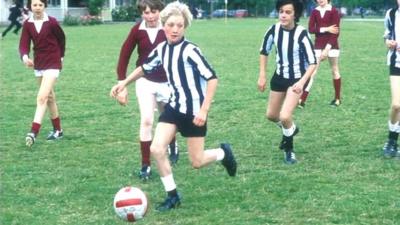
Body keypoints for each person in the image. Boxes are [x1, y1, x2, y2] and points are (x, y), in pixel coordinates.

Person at [110, 1, 237, 211]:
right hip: (174, 108)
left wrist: (204, 110)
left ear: (185, 26)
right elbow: (144, 68)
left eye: (179, 25)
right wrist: (122, 83)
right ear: (164, 25)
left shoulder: (191, 51)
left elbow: (212, 78)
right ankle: (173, 196)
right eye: (171, 25)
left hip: (195, 111)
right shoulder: (161, 49)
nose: (175, 29)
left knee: (196, 161)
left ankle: (223, 154)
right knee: (157, 149)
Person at [114, 0, 179, 181]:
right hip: (144, 80)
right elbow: (124, 54)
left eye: (153, 12)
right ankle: (146, 165)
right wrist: (122, 83)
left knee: (167, 118)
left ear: (160, 11)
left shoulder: (168, 28)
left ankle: (173, 143)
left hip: (166, 82)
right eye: (146, 12)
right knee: (147, 120)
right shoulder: (137, 30)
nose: (149, 16)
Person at [258, 0, 317, 164]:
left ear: (295, 15)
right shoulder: (273, 29)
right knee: (271, 115)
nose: (283, 15)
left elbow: (313, 62)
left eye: (288, 12)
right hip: (279, 77)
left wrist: (302, 82)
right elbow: (264, 51)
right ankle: (291, 129)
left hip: (297, 79)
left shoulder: (301, 33)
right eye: (281, 11)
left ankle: (289, 150)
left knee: (285, 116)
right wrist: (262, 75)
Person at [19, 0, 66, 148]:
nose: (37, 8)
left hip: (53, 62)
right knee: (50, 97)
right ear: (30, 7)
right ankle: (58, 130)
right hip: (39, 63)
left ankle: (33, 132)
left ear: (44, 6)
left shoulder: (51, 22)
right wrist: (25, 57)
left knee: (42, 97)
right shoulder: (28, 24)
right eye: (35, 5)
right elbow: (24, 44)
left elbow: (62, 39)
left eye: (40, 5)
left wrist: (61, 57)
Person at [298, 0, 341, 108]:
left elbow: (335, 32)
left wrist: (327, 49)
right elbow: (311, 29)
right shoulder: (314, 11)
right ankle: (302, 100)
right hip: (318, 45)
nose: (320, 0)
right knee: (312, 71)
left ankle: (337, 99)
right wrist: (326, 29)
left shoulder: (334, 11)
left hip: (332, 45)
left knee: (335, 70)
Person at [382, 0, 400, 158]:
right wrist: (388, 42)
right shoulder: (391, 13)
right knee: (396, 105)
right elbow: (387, 35)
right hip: (396, 63)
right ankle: (391, 140)